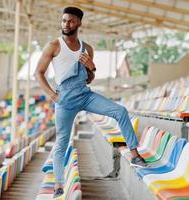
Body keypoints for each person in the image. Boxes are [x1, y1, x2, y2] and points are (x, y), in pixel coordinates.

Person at [35, 6, 147, 198]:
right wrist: (54, 96)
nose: (66, 24)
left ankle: (135, 155)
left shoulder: (87, 49)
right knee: (61, 142)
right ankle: (59, 186)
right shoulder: (54, 45)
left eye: (70, 21)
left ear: (79, 23)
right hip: (65, 99)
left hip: (85, 94)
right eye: (63, 20)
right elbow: (38, 73)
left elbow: (88, 79)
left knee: (120, 111)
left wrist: (91, 67)